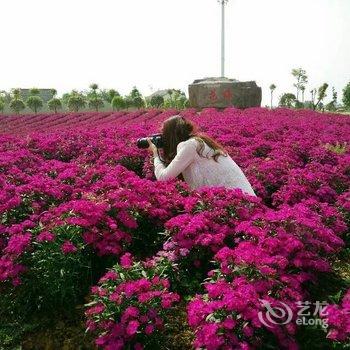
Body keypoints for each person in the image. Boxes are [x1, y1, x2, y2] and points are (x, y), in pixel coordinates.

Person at [147, 115, 256, 196]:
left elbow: (163, 178)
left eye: (163, 134)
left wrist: (156, 154)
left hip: (236, 202)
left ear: (170, 136)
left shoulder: (190, 145)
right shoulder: (201, 141)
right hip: (244, 198)